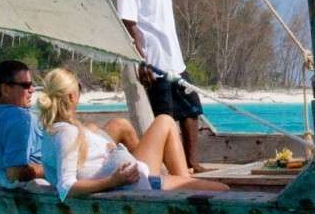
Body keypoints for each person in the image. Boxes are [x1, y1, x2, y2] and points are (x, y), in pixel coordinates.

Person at [33, 68, 227, 199]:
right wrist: (113, 181)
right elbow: (66, 188)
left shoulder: (56, 129)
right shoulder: (66, 134)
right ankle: (185, 188)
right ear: (71, 96)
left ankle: (186, 183)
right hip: (136, 186)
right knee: (223, 191)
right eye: (79, 90)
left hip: (136, 178)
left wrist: (106, 148)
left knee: (165, 120)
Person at [115, 0, 217, 168]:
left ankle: (192, 163)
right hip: (155, 62)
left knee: (192, 111)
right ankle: (176, 168)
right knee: (165, 118)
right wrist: (142, 61)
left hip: (175, 61)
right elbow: (129, 23)